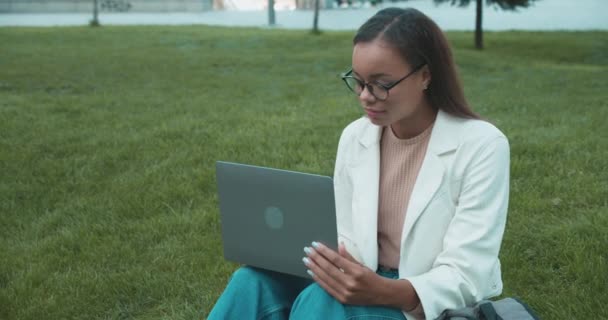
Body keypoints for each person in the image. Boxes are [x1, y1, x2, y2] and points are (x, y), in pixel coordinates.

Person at [207, 7, 510, 320]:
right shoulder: (356, 136)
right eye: (359, 82)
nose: (365, 96)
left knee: (325, 302)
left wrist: (379, 290)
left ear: (425, 75)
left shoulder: (483, 146)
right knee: (251, 282)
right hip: (361, 272)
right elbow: (348, 235)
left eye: (381, 84)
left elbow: (467, 274)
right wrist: (332, 262)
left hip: (419, 296)